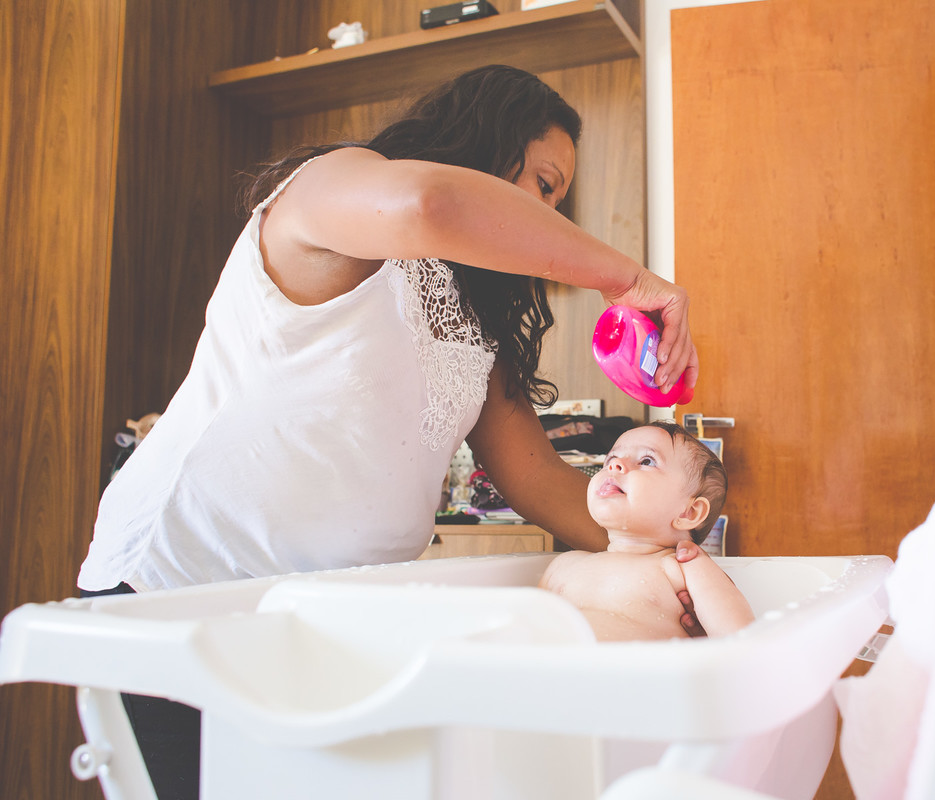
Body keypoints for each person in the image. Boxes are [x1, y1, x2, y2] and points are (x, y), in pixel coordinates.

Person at [74, 65, 700, 800]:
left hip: (327, 634)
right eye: (543, 183)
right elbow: (425, 201)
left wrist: (678, 557)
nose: (549, 214)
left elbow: (540, 483)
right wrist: (624, 278)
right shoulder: (327, 189)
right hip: (178, 595)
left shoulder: (478, 328)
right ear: (483, 141)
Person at [539, 422, 756, 641]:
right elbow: (526, 625)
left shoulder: (685, 568)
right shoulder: (563, 565)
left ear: (688, 512)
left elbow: (741, 643)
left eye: (646, 461)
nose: (616, 466)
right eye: (610, 460)